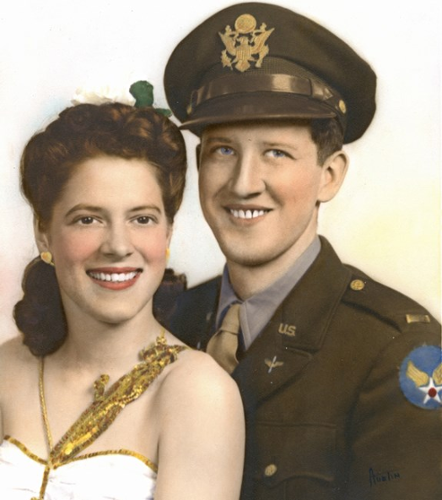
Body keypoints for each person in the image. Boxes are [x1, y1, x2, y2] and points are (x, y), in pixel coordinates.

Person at [163, 3, 442, 499]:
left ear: (329, 176)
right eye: (223, 150)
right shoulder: (168, 321)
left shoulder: (394, 350)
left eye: (276, 152)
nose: (244, 184)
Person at [0, 90, 245, 499]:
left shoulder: (197, 392)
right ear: (44, 232)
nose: (117, 245)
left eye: (142, 218)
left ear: (167, 233)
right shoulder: (6, 369)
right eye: (88, 218)